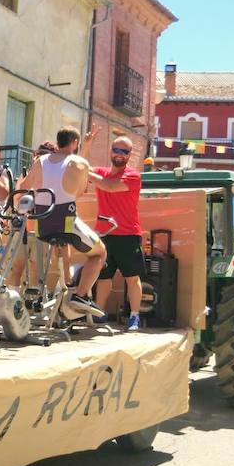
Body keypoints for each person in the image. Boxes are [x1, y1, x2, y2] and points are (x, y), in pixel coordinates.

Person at [19, 127, 107, 313]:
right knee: (100, 253)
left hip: (42, 226)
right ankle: (80, 295)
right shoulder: (79, 163)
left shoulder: (40, 161)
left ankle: (66, 290)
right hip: (67, 225)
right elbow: (81, 191)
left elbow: (24, 187)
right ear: (74, 143)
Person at [82, 133, 144, 331]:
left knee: (132, 278)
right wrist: (87, 144)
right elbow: (80, 167)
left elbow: (109, 187)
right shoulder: (101, 172)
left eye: (124, 152)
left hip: (128, 234)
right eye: (116, 150)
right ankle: (100, 312)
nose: (119, 154)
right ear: (110, 151)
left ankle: (135, 316)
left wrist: (87, 173)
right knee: (103, 277)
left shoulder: (133, 176)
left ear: (129, 155)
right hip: (104, 234)